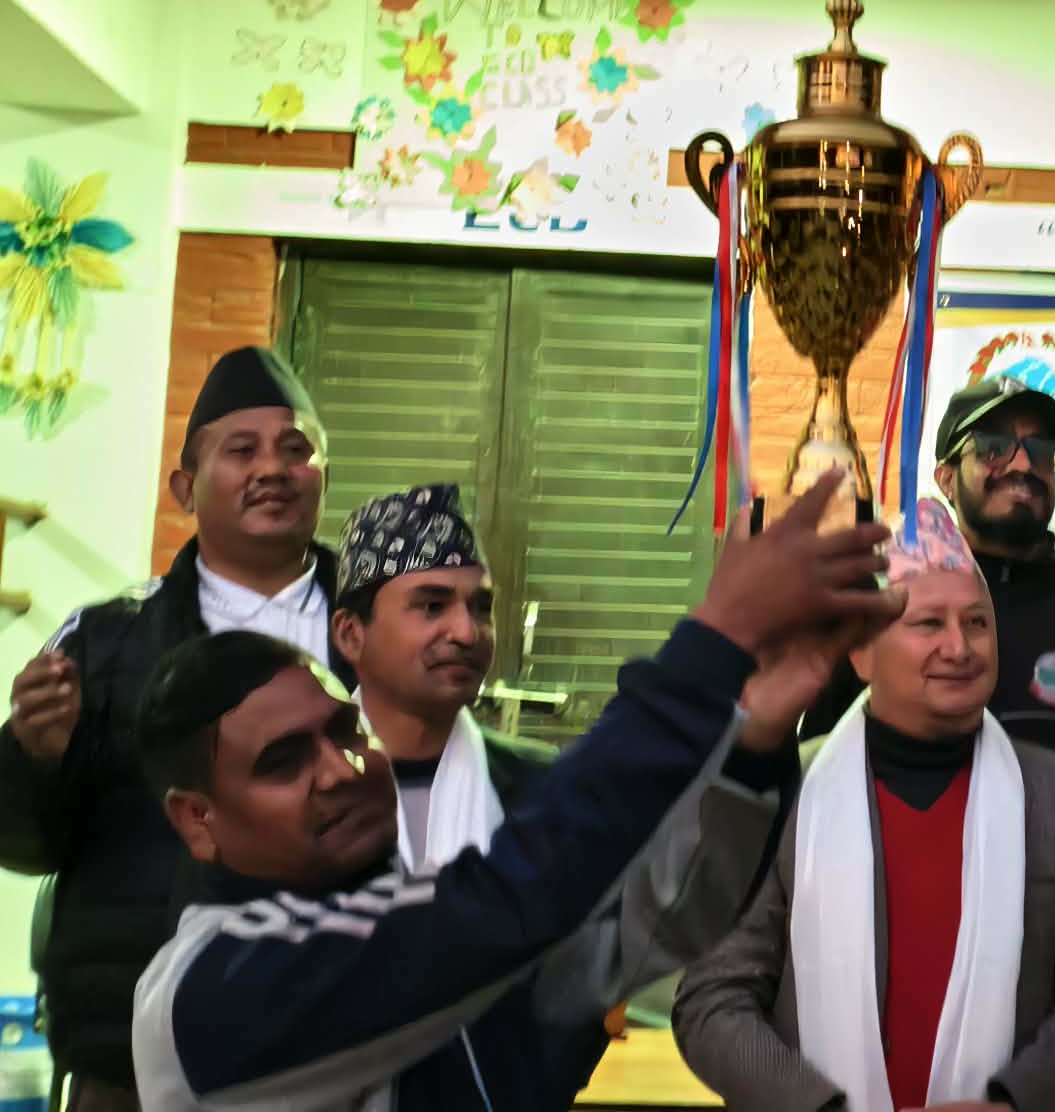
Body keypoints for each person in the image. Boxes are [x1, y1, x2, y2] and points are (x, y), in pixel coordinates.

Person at [129, 474, 899, 1112]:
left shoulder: (430, 897)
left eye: (344, 733)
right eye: (283, 763)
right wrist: (712, 643)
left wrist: (755, 735)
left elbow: (650, 926)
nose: (340, 770)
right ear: (197, 820)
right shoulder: (207, 989)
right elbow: (501, 905)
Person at [676, 499, 1055, 1112]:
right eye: (928, 624)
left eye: (977, 623)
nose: (959, 647)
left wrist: (1016, 1102)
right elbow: (712, 998)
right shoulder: (784, 792)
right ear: (862, 652)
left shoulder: (1054, 795)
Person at [0, 346, 339, 1111]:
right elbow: (24, 842)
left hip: (344, 1050)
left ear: (325, 475)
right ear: (185, 488)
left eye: (295, 449)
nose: (272, 468)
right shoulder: (104, 643)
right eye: (241, 450)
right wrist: (32, 759)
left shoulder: (380, 637)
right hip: (136, 1063)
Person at [803, 374, 1055, 925]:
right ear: (945, 477)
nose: (1022, 465)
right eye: (993, 448)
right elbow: (816, 791)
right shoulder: (879, 621)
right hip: (885, 939)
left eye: (1039, 449)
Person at [328, 484, 553, 872]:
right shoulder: (295, 792)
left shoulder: (544, 789)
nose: (467, 633)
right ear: (351, 635)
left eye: (481, 608)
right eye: (433, 606)